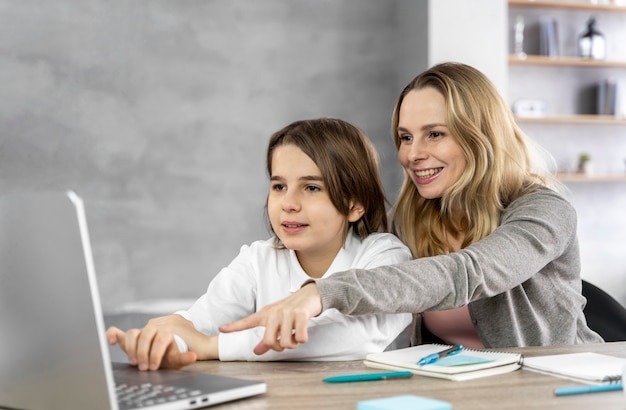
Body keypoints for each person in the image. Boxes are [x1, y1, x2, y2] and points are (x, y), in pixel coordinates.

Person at [220, 62, 604, 355]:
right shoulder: (410, 219)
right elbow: (375, 289)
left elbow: (466, 274)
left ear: (480, 135)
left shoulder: (545, 211)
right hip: (454, 388)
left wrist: (320, 293)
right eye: (405, 137)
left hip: (552, 387)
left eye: (434, 134)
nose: (413, 154)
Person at [106, 117, 413, 370]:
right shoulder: (258, 260)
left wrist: (211, 346)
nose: (288, 203)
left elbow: (355, 337)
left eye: (311, 187)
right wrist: (166, 340)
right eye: (279, 186)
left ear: (354, 204)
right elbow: (201, 323)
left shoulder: (385, 256)